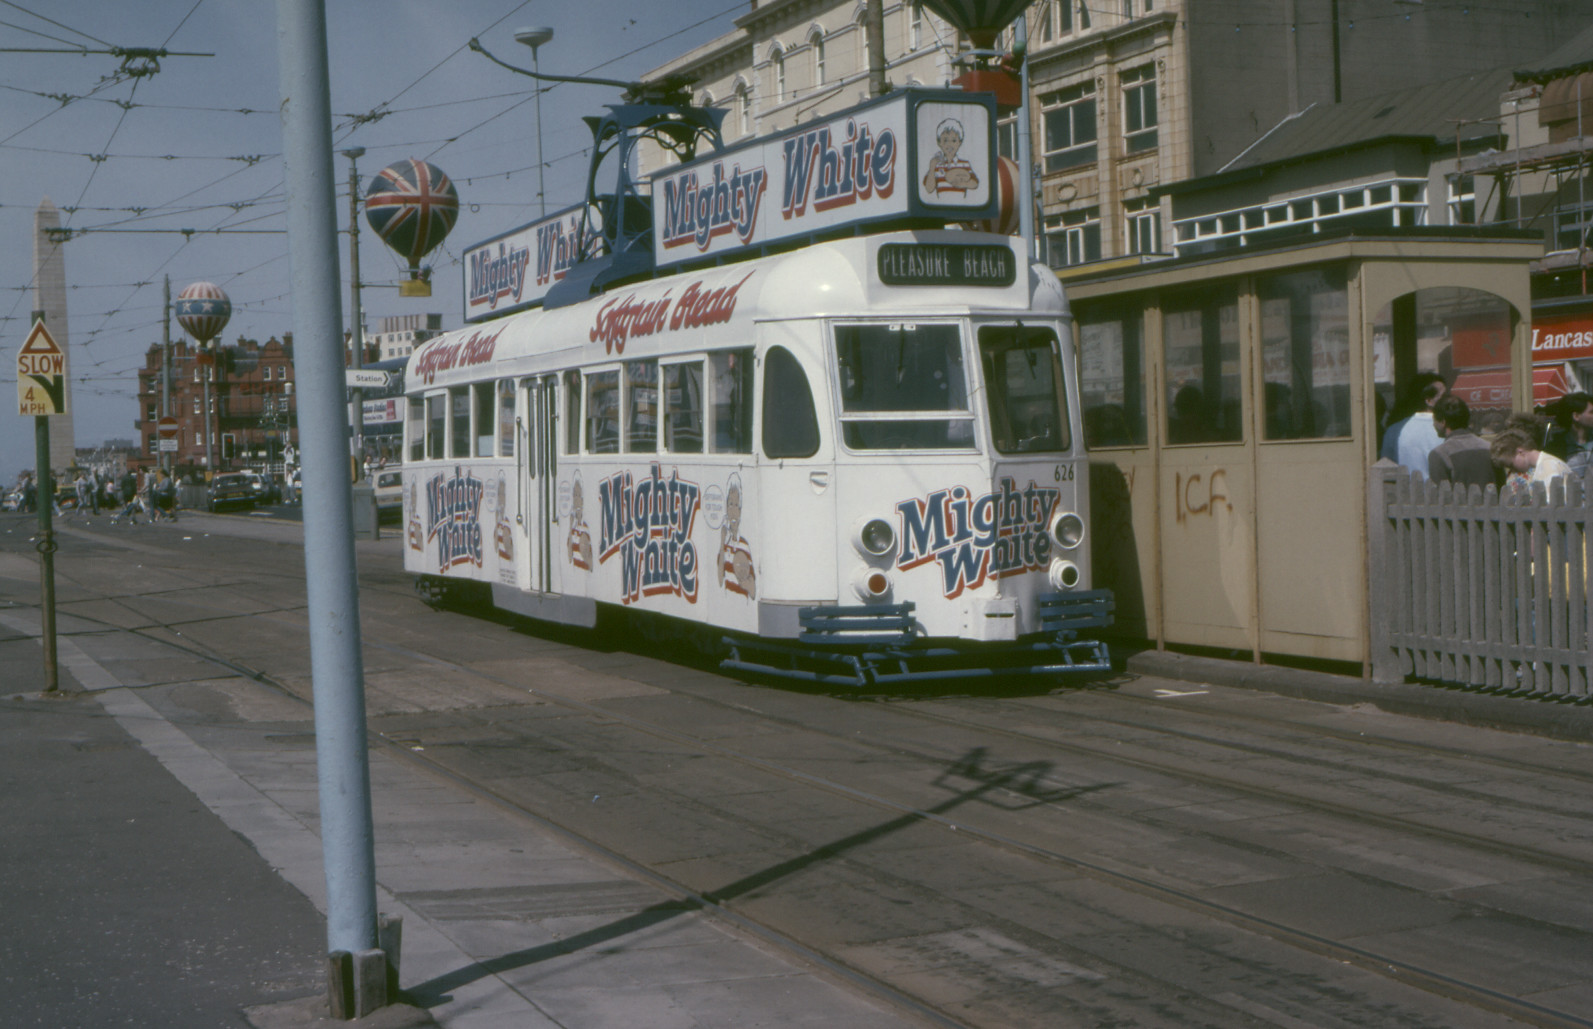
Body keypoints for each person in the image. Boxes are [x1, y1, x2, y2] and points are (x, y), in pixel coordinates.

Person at [1380, 373, 1446, 478]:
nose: (1449, 400)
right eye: (1444, 396)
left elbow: (1385, 469)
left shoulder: (1393, 430)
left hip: (1405, 490)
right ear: (1428, 400)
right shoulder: (1447, 428)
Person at [1427, 395, 1495, 489]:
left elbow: (1440, 498)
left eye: (1434, 420)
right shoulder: (1490, 448)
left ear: (1443, 422)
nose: (1433, 424)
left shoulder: (1440, 454)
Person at [1490, 427, 1571, 493]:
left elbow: (1550, 506)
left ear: (1520, 452)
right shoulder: (1545, 464)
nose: (1512, 470)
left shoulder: (1549, 467)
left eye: (1511, 465)